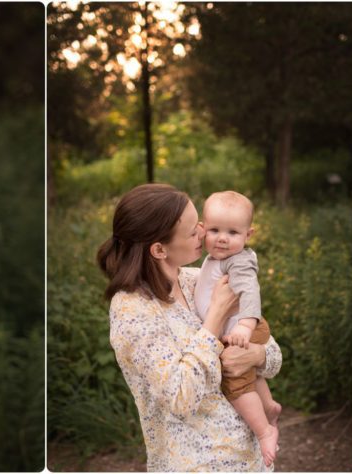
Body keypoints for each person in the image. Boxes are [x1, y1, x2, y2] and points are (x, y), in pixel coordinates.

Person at [96, 183, 282, 471]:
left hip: (252, 459)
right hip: (198, 465)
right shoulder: (132, 310)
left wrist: (256, 356)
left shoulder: (198, 278)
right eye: (193, 230)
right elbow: (181, 397)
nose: (205, 233)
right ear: (159, 249)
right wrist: (215, 317)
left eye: (201, 224)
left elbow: (272, 355)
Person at [193, 190, 281, 466]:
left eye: (232, 232)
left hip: (243, 329)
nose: (222, 237)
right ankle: (268, 406)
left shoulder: (238, 260)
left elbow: (250, 292)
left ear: (248, 235)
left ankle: (265, 431)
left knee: (234, 382)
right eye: (215, 229)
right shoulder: (215, 258)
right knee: (247, 371)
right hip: (234, 329)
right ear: (203, 229)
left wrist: (245, 325)